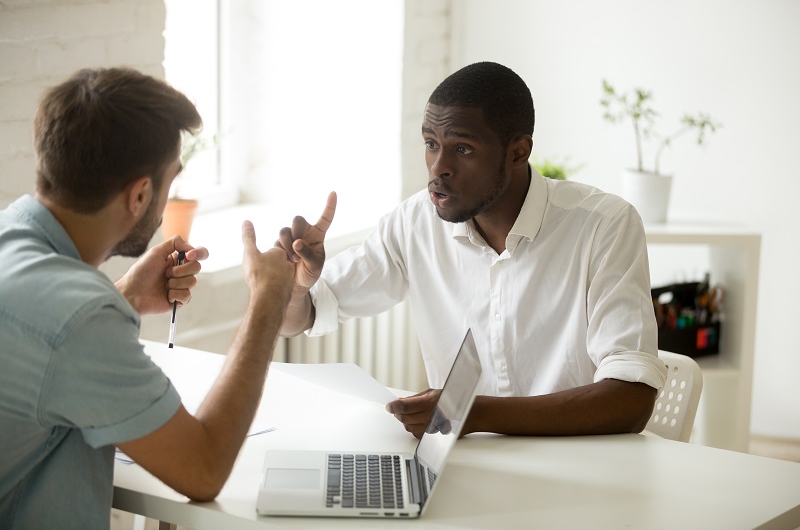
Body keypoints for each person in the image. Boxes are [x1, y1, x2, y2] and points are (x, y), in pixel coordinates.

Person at [277, 61, 667, 439]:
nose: (437, 168)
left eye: (462, 149)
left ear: (517, 152)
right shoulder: (416, 222)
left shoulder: (603, 225)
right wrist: (295, 289)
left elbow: (631, 399)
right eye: (431, 144)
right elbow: (301, 318)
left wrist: (469, 411)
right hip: (463, 467)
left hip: (584, 473)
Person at [0, 68, 295, 528]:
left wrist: (126, 296)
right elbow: (203, 469)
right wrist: (267, 302)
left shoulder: (10, 239)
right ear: (140, 194)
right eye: (169, 183)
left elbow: (42, 345)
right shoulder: (78, 320)